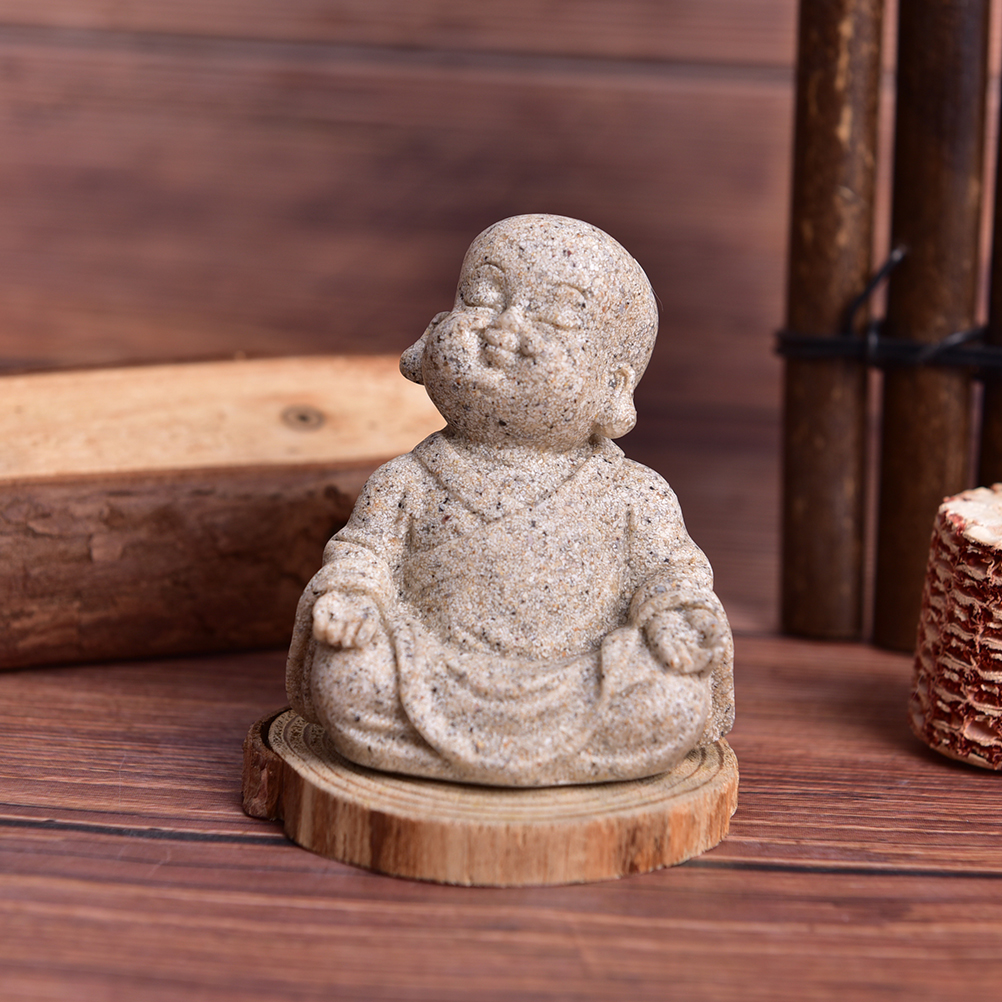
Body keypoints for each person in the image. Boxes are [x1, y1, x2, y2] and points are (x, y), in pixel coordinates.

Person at [286, 214, 733, 786]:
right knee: (350, 678)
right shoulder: (406, 480)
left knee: (670, 700)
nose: (504, 326)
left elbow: (670, 574)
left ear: (613, 387)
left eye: (556, 316)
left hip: (579, 679)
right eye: (481, 297)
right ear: (432, 333)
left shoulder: (634, 494)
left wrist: (674, 618)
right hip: (428, 668)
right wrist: (355, 600)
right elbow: (362, 556)